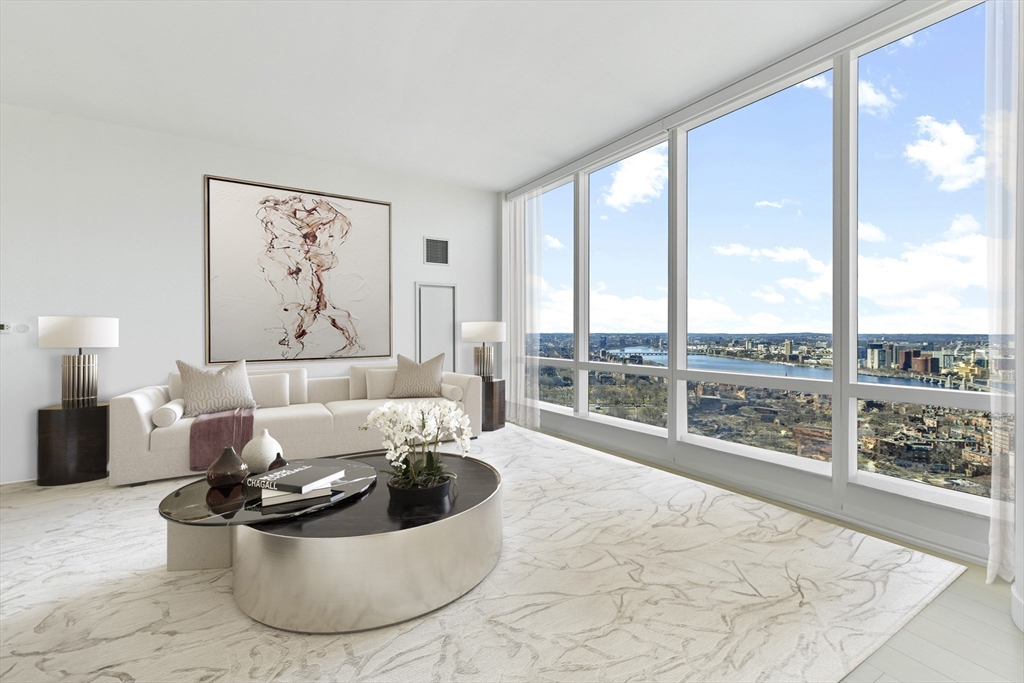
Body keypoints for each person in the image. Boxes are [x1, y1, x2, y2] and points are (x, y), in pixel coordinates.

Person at [255, 194, 363, 358]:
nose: (304, 204)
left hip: (306, 266)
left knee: (315, 305)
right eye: (296, 200)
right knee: (307, 304)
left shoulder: (305, 221)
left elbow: (307, 243)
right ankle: (295, 337)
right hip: (296, 265)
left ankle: (297, 339)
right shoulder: (277, 215)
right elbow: (293, 241)